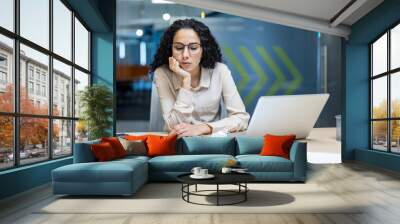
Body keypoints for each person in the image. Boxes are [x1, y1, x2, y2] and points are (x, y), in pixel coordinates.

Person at [150, 19, 250, 137]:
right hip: (176, 146)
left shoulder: (220, 71)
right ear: (170, 49)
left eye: (193, 48)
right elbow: (174, 126)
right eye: (178, 47)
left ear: (204, 49)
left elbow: (241, 119)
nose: (185, 55)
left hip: (212, 145)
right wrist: (186, 82)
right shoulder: (162, 73)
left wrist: (204, 128)